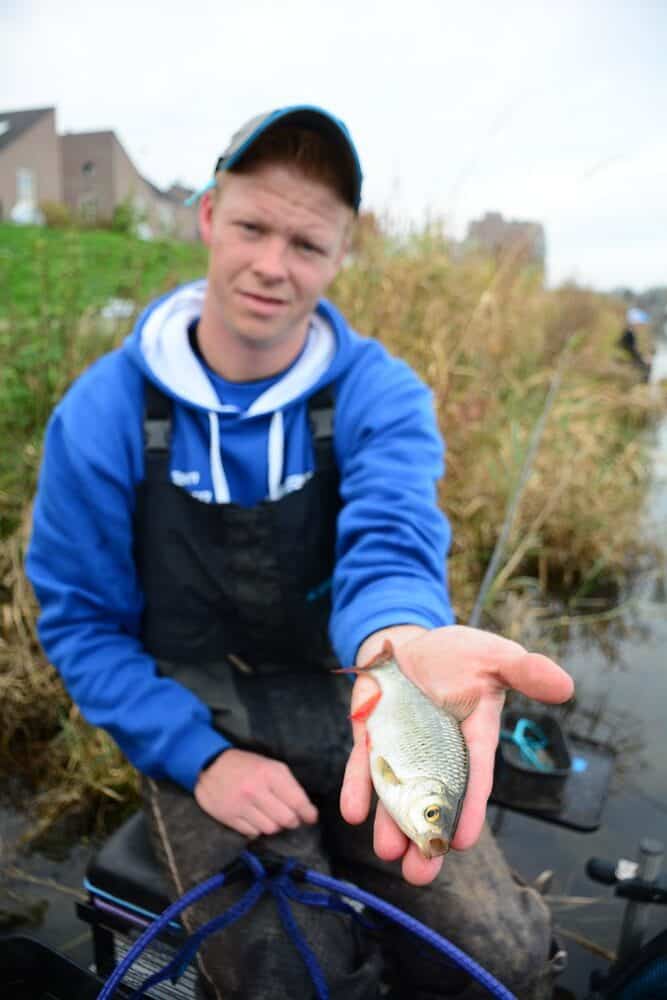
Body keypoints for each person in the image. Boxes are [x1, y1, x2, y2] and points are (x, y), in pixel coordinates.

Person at [26, 105, 574, 999]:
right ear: (208, 215)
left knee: (498, 956)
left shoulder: (382, 394)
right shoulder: (99, 415)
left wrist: (396, 644)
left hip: (353, 698)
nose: (273, 266)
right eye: (251, 226)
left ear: (340, 254)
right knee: (289, 976)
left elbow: (392, 539)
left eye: (308, 244)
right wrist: (198, 761)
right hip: (197, 716)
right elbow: (82, 623)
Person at [618, 307, 651, 381]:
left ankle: (644, 379)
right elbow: (631, 347)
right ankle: (644, 380)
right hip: (632, 355)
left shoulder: (628, 332)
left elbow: (625, 345)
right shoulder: (629, 333)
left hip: (632, 353)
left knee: (646, 361)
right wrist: (642, 356)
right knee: (647, 363)